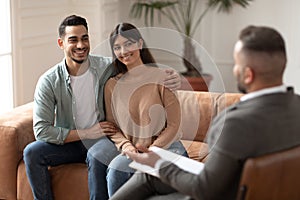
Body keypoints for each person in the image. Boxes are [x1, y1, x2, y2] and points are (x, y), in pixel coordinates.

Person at [110, 25, 300, 200]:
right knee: (147, 177)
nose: (234, 69)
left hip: (218, 193)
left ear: (248, 74)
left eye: (236, 64)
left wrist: (158, 164)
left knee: (150, 173)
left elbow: (203, 189)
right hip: (256, 190)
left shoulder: (235, 123)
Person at [23, 15, 181, 200]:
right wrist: (86, 133)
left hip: (101, 140)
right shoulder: (49, 81)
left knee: (99, 157)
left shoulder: (107, 67)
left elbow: (136, 70)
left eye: (85, 38)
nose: (81, 45)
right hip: (71, 141)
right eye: (73, 40)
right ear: (61, 43)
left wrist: (174, 77)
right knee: (32, 153)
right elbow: (41, 131)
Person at [103, 23, 188, 197]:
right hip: (133, 152)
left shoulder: (163, 77)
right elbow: (112, 126)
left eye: (128, 44)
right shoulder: (111, 85)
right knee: (115, 170)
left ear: (140, 44)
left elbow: (174, 124)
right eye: (117, 47)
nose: (124, 51)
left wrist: (151, 151)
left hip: (167, 148)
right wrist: (126, 146)